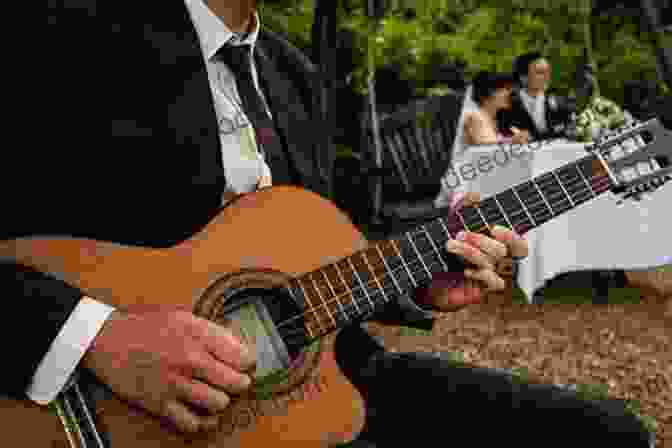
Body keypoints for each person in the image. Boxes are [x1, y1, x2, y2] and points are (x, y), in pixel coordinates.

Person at [2, 2, 653, 447]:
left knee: (610, 433)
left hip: (311, 395)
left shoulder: (295, 77)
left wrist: (415, 282)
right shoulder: (54, 32)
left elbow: (307, 255)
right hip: (90, 413)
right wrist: (96, 339)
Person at [434, 71, 529, 210]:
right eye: (505, 89)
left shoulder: (491, 118)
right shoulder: (473, 116)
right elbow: (484, 145)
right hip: (467, 177)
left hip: (482, 172)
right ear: (490, 93)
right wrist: (512, 140)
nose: (510, 93)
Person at [498, 51, 573, 141]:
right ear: (523, 77)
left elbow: (568, 130)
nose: (547, 77)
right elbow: (504, 134)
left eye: (548, 72)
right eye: (540, 72)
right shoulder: (506, 104)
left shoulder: (561, 102)